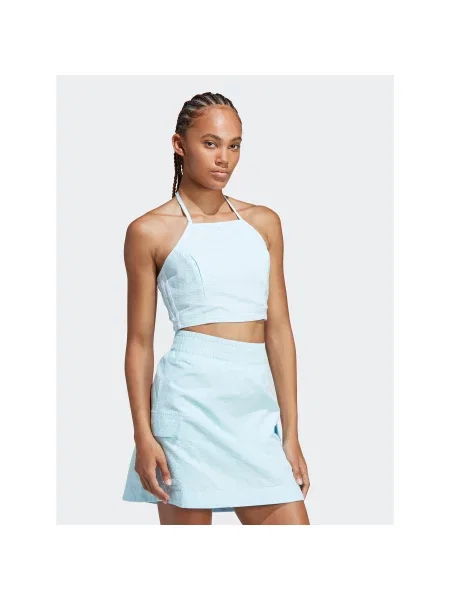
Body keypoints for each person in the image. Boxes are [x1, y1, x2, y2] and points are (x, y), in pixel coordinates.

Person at [122, 92, 310, 525]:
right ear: (179, 144)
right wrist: (144, 434)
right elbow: (139, 342)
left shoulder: (263, 222)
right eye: (210, 143)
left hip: (254, 406)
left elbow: (279, 330)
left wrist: (291, 434)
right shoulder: (148, 231)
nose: (224, 158)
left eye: (234, 145)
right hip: (188, 404)